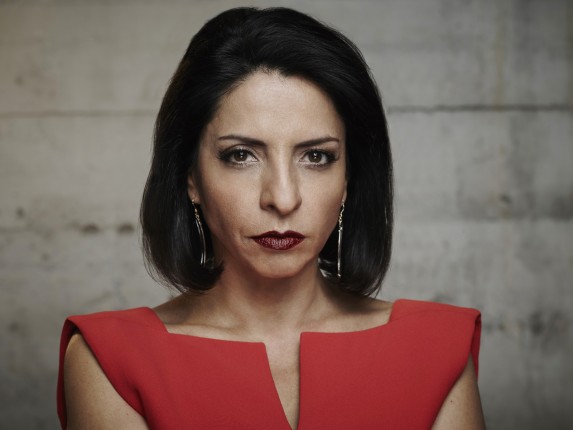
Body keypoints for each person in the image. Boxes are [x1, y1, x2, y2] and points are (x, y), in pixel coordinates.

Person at [57, 6, 485, 430]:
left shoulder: (436, 350)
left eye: (316, 157)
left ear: (349, 178)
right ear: (190, 177)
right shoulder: (112, 360)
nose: (282, 198)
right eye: (241, 155)